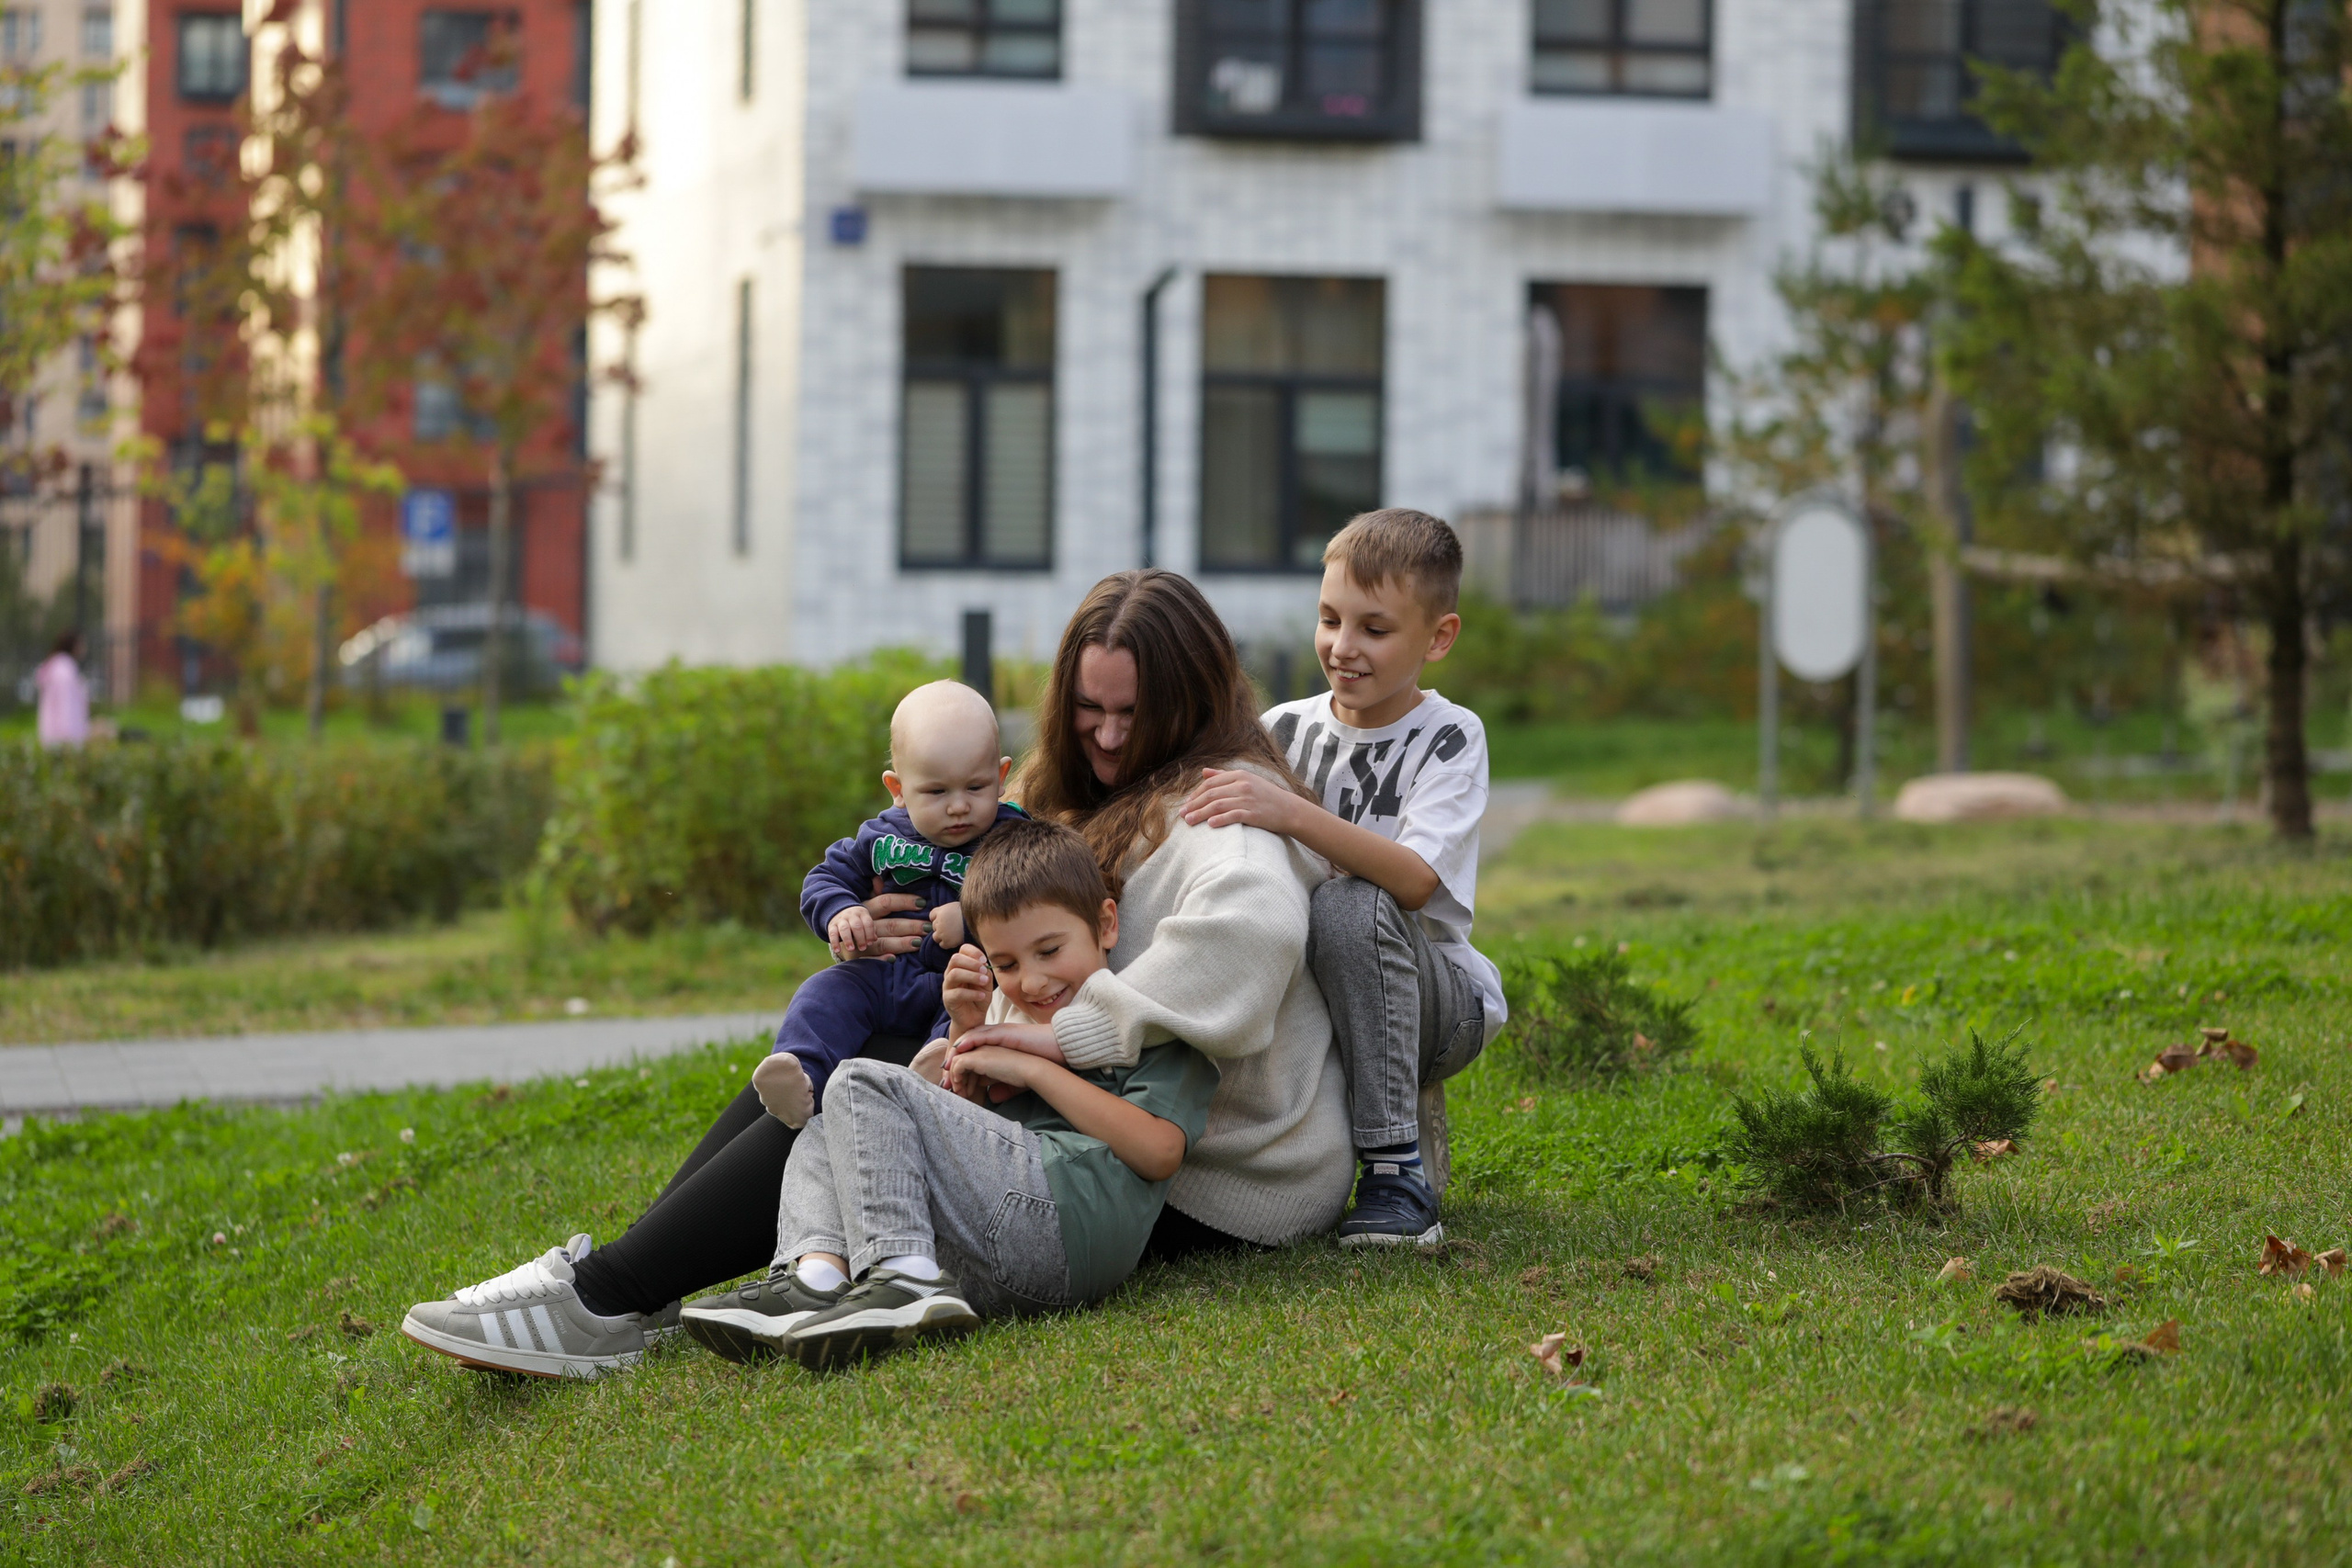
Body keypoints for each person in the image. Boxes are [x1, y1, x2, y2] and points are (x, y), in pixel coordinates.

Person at [398, 569, 1348, 1380]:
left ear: (1189, 703)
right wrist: (887, 917)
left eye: (1129, 714)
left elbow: (1253, 936)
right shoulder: (1094, 794)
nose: (1102, 735)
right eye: (1086, 709)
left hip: (1224, 1175)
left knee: (886, 1066)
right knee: (851, 1043)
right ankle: (615, 1287)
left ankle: (607, 1295)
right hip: (1084, 1118)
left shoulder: (1219, 807)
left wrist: (1048, 1036)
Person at [674, 817, 1217, 1369]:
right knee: (824, 1124)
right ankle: (818, 1279)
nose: (1030, 981)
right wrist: (962, 1031)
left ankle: (905, 1280)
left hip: (1068, 1226)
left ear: (1105, 925)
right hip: (993, 1251)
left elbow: (1159, 1152)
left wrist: (1035, 1070)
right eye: (1005, 963)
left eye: (1050, 950)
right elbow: (953, 1143)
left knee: (861, 1078)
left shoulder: (1146, 1023)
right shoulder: (1004, 1016)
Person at [1181, 509, 1503, 1250]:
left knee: (1353, 902)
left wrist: (1291, 812)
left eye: (1375, 629)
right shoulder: (1286, 729)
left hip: (1437, 1001)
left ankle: (1397, 1174)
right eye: (1329, 619)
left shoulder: (1451, 737)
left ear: (1439, 636)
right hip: (1322, 996)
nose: (1342, 647)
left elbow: (1417, 880)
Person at [745, 678, 1024, 1130]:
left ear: (1002, 776)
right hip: (886, 973)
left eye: (976, 788)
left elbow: (1033, 900)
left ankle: (937, 1070)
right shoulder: (879, 838)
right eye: (937, 792)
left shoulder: (1012, 838)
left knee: (974, 1006)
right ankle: (802, 1077)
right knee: (825, 993)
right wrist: (842, 911)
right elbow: (824, 878)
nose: (958, 807)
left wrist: (974, 917)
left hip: (961, 981)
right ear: (898, 788)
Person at [34, 629, 91, 750]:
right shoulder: (65, 671)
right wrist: (68, 739)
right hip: (64, 742)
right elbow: (66, 706)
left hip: (53, 738)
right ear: (73, 645)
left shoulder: (57, 667)